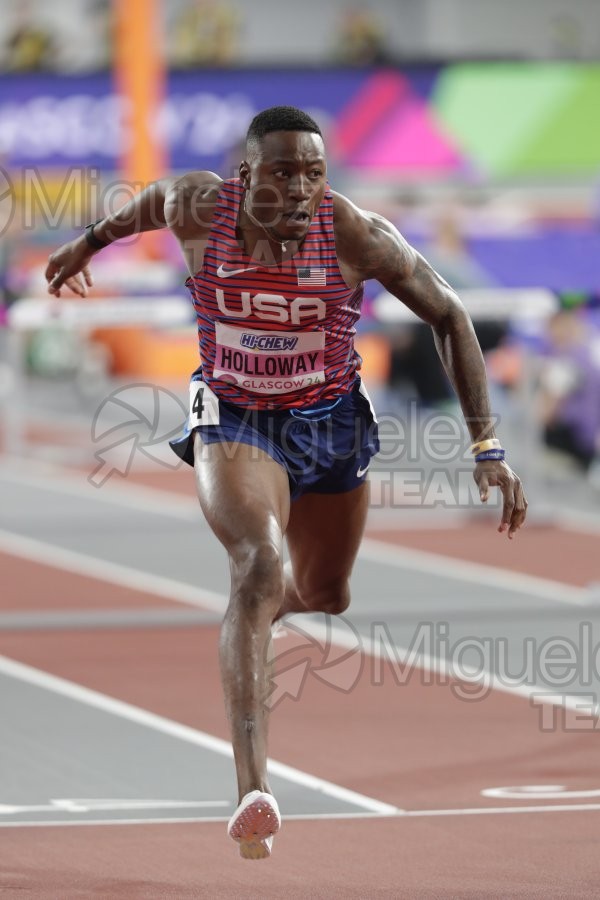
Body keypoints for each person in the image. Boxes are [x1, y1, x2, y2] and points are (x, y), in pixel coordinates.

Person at [45, 105, 527, 860]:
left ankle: (257, 616)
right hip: (236, 420)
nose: (301, 188)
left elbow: (450, 314)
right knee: (258, 563)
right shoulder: (201, 206)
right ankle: (253, 790)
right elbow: (145, 205)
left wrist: (487, 444)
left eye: (314, 172)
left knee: (327, 593)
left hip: (330, 422)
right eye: (282, 172)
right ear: (246, 175)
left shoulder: (356, 234)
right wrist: (86, 243)